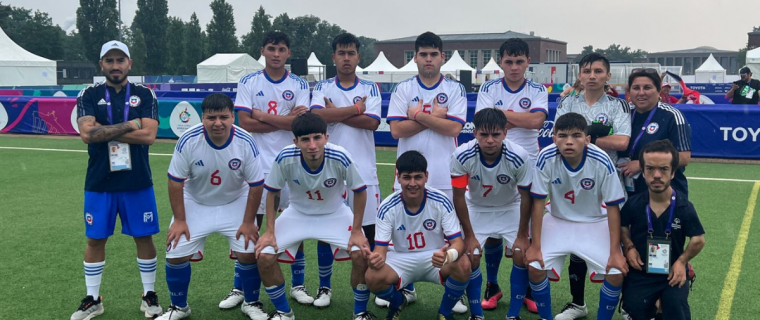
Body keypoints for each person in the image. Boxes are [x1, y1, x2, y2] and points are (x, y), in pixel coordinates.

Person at [72, 40, 161, 320]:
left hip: (137, 180)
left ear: (129, 64)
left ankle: (149, 296)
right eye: (109, 60)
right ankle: (93, 299)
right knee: (95, 239)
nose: (115, 65)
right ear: (102, 65)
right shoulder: (88, 93)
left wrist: (104, 129)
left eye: (120, 60)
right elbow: (87, 135)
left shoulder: (146, 94)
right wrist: (133, 124)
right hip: (100, 181)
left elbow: (149, 136)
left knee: (143, 236)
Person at [232, 31, 321, 309]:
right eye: (271, 48)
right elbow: (245, 122)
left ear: (288, 53)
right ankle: (240, 288)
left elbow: (300, 125)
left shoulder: (298, 83)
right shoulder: (248, 81)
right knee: (252, 225)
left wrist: (262, 115)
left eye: (282, 49)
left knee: (294, 222)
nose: (276, 54)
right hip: (256, 163)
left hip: (291, 162)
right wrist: (283, 120)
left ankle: (297, 285)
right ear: (263, 51)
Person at [255, 113, 373, 320]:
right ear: (295, 142)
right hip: (297, 213)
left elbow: (360, 191)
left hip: (335, 213)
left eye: (317, 137)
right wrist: (269, 231)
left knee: (361, 253)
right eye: (305, 139)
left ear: (326, 137)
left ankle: (360, 312)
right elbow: (272, 192)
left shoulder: (340, 155)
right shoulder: (285, 157)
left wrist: (356, 231)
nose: (312, 145)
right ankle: (284, 312)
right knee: (264, 255)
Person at [158, 94, 266, 320]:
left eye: (224, 117)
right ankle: (179, 307)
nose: (218, 123)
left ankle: (251, 302)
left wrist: (248, 222)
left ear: (232, 116)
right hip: (196, 201)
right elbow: (175, 180)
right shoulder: (188, 139)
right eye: (211, 117)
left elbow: (256, 184)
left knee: (248, 252)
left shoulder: (245, 141)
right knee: (175, 252)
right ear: (202, 118)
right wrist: (179, 220)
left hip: (234, 200)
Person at [384, 31, 468, 313]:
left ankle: (454, 292)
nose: (428, 59)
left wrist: (417, 115)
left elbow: (454, 128)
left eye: (434, 54)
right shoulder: (403, 89)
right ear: (415, 58)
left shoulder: (456, 89)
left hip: (444, 175)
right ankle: (405, 286)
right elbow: (396, 129)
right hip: (407, 175)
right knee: (403, 231)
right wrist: (435, 117)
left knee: (449, 235)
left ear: (442, 57)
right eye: (423, 54)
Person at [526, 113, 628, 320]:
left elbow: (613, 207)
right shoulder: (545, 157)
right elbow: (537, 202)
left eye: (576, 135)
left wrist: (615, 251)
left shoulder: (601, 160)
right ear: (554, 138)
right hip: (557, 221)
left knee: (616, 271)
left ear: (587, 140)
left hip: (594, 223)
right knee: (535, 268)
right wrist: (535, 246)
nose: (569, 141)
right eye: (562, 136)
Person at [553, 53, 631, 320]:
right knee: (577, 245)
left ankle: (622, 304)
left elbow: (622, 142)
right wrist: (595, 137)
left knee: (616, 242)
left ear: (608, 76)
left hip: (607, 183)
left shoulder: (618, 106)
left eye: (598, 71)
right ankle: (577, 304)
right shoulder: (567, 103)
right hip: (572, 183)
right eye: (587, 71)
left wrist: (585, 139)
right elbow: (559, 140)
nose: (592, 75)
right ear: (580, 75)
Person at [474, 37, 548, 313]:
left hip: (529, 162)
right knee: (493, 223)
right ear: (501, 62)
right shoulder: (489, 87)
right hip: (495, 159)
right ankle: (492, 285)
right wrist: (519, 116)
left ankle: (526, 287)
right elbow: (486, 123)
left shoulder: (538, 89)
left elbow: (537, 121)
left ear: (528, 61)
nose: (514, 67)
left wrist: (500, 114)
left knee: (526, 228)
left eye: (519, 61)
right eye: (509, 61)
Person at [309, 33, 382, 309]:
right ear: (333, 57)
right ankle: (324, 288)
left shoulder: (371, 87)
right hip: (328, 172)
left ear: (358, 57)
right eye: (341, 53)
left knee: (369, 231)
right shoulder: (323, 86)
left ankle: (372, 283)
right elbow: (316, 118)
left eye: (351, 53)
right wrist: (355, 109)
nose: (347, 58)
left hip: (364, 171)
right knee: (325, 230)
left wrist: (336, 112)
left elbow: (373, 123)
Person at [366, 150, 471, 320]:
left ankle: (444, 312)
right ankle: (398, 301)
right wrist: (375, 259)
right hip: (401, 258)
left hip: (435, 257)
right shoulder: (387, 207)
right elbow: (381, 250)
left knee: (463, 264)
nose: (412, 183)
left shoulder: (441, 201)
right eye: (407, 177)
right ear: (398, 178)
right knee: (372, 275)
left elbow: (458, 243)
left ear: (426, 176)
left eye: (418, 177)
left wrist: (448, 256)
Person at [450, 108, 532, 320]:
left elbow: (526, 197)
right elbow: (458, 197)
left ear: (505, 133)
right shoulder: (461, 154)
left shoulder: (519, 156)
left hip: (510, 207)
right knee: (471, 256)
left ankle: (513, 315)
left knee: (523, 254)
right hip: (477, 207)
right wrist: (468, 236)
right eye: (484, 134)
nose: (489, 140)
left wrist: (523, 236)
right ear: (474, 132)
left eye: (495, 134)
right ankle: (477, 314)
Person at [620, 140, 705, 320]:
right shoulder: (634, 204)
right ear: (643, 172)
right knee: (634, 307)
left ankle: (663, 307)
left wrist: (682, 261)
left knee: (676, 310)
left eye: (664, 169)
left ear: (673, 172)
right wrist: (629, 247)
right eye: (650, 169)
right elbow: (622, 226)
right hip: (641, 271)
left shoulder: (684, 207)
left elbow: (698, 239)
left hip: (672, 272)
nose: (656, 175)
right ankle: (654, 308)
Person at [618, 69, 692, 198]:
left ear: (659, 91)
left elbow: (684, 157)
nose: (641, 93)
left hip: (665, 195)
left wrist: (642, 164)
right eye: (636, 88)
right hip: (628, 194)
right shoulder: (622, 114)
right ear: (630, 92)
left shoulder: (672, 116)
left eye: (647, 87)